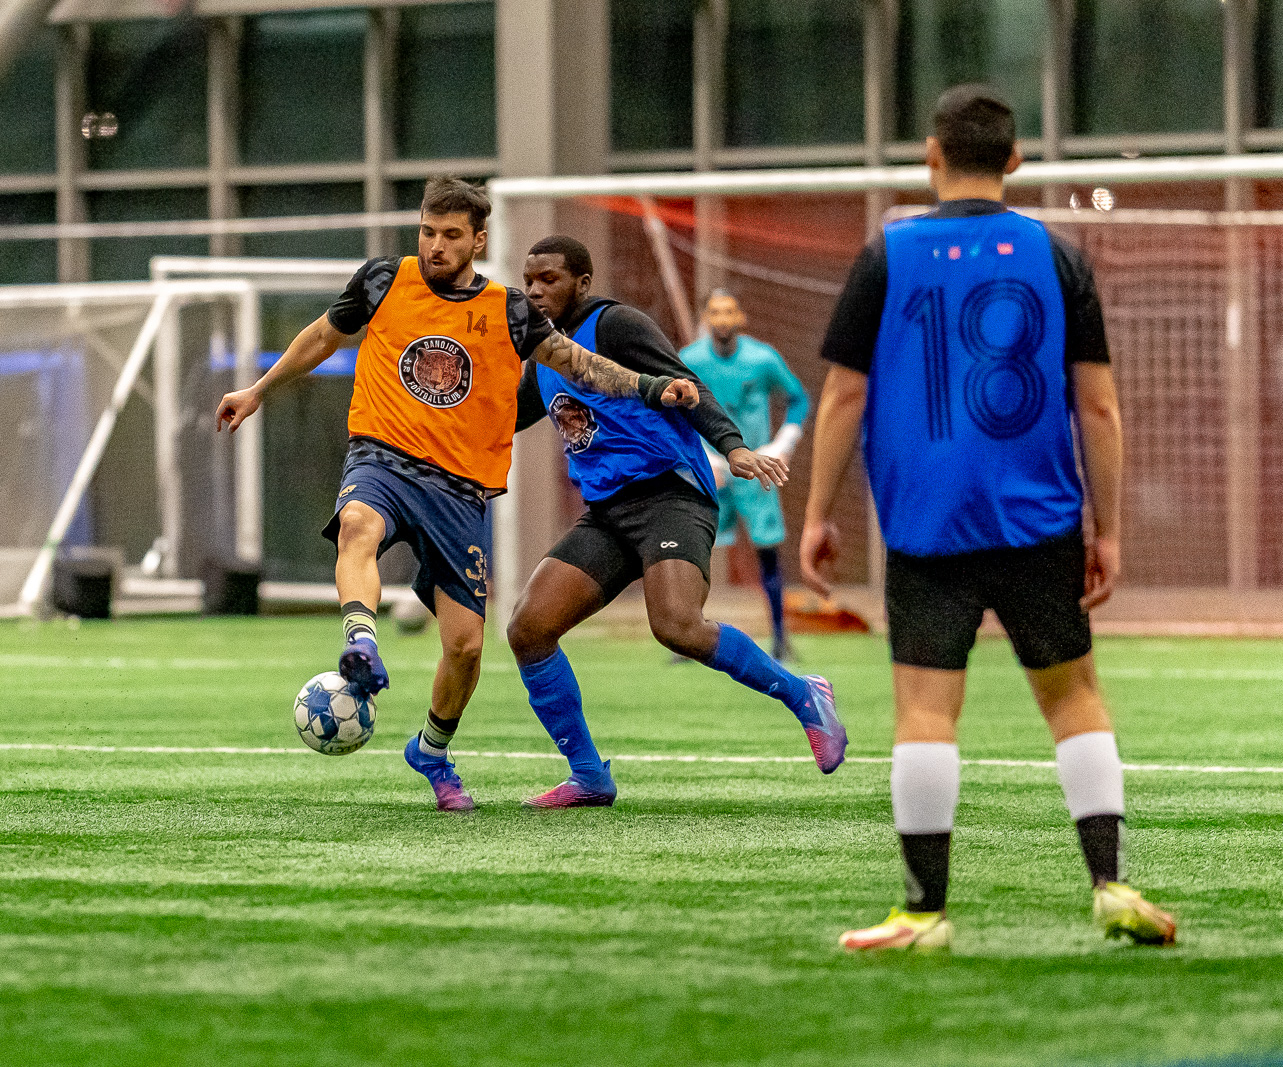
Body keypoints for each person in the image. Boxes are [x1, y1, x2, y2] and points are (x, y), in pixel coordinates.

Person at [799, 86, 1175, 950]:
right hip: (1042, 517)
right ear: (1015, 159)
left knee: (927, 712)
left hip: (926, 523)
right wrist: (1107, 529)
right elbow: (1101, 407)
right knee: (1074, 696)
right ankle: (1111, 884)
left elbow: (845, 393)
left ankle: (924, 912)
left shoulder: (886, 254)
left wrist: (818, 512)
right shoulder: (1057, 255)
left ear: (931, 154)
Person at [215, 178, 697, 813]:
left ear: (477, 240)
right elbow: (322, 337)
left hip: (460, 490)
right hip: (381, 456)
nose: (435, 246)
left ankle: (431, 750)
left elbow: (579, 364)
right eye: (427, 232)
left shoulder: (509, 310)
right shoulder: (384, 281)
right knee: (358, 523)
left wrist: (650, 386)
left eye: (449, 236)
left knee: (466, 645)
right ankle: (361, 641)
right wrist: (257, 389)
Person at [508, 236, 846, 808]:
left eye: (551, 279)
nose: (537, 291)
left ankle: (802, 694)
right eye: (530, 280)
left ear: (583, 283)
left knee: (677, 625)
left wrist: (733, 448)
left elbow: (688, 387)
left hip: (671, 493)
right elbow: (506, 418)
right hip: (609, 512)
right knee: (528, 629)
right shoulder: (543, 355)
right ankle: (589, 775)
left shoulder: (616, 325)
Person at [679, 290, 810, 661]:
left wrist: (782, 444)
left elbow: (798, 398)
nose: (722, 318)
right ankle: (685, 636)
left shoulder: (762, 358)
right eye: (715, 312)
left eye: (729, 311)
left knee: (768, 551)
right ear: (705, 317)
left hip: (756, 470)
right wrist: (703, 457)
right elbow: (673, 412)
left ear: (741, 317)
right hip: (712, 471)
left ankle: (781, 637)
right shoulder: (689, 360)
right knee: (693, 550)